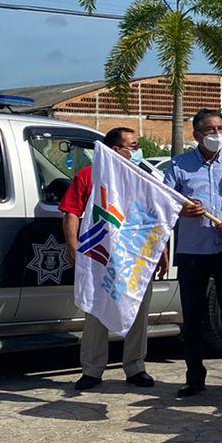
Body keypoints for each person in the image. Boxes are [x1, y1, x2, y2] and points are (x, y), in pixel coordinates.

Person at [62, 127, 161, 391]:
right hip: (99, 256)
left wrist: (158, 252)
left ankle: (135, 367)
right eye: (132, 145)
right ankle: (92, 370)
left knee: (137, 312)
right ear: (114, 150)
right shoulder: (88, 177)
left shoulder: (142, 179)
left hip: (135, 255)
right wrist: (74, 246)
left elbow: (153, 219)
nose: (137, 151)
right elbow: (72, 212)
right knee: (96, 311)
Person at [164, 110, 222, 398]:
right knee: (193, 315)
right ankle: (194, 377)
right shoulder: (179, 165)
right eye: (211, 130)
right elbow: (164, 203)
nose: (217, 134)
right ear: (197, 135)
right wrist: (182, 209)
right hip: (193, 250)